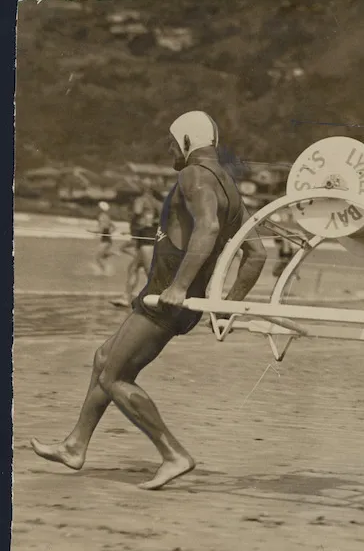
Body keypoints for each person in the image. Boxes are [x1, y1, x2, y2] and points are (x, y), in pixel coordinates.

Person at [31, 111, 268, 489]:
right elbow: (256, 254)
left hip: (166, 298)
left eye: (173, 143)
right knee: (104, 357)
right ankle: (74, 445)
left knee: (114, 376)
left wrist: (178, 286)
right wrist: (227, 304)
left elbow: (206, 227)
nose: (170, 149)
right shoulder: (230, 187)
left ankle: (173, 453)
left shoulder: (193, 175)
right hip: (176, 297)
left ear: (188, 142)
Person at [111, 179, 162, 308]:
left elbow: (137, 212)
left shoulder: (141, 201)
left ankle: (158, 299)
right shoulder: (159, 203)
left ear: (145, 188)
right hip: (150, 237)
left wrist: (132, 220)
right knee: (133, 268)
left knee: (148, 270)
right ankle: (126, 297)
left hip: (146, 238)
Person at [92, 201, 116, 276]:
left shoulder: (101, 216)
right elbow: (114, 227)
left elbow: (101, 229)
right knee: (103, 256)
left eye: (98, 207)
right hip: (108, 240)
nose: (96, 208)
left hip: (105, 240)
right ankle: (113, 253)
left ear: (101, 209)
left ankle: (104, 272)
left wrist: (92, 231)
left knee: (98, 258)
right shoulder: (107, 216)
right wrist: (108, 233)